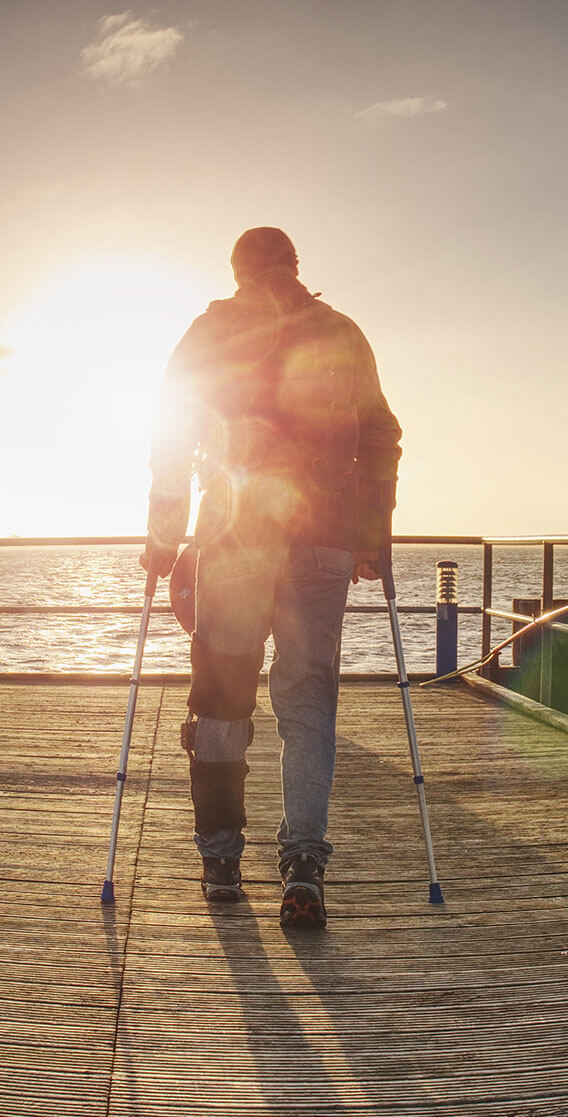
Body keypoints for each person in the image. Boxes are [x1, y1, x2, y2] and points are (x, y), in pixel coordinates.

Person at [141, 227, 402, 928]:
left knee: (224, 697)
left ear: (237, 273)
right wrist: (372, 532)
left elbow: (172, 433)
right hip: (322, 538)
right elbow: (381, 433)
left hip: (234, 538)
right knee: (308, 699)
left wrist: (164, 535)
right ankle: (305, 865)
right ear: (294, 267)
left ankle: (221, 858)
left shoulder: (214, 330)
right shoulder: (341, 331)